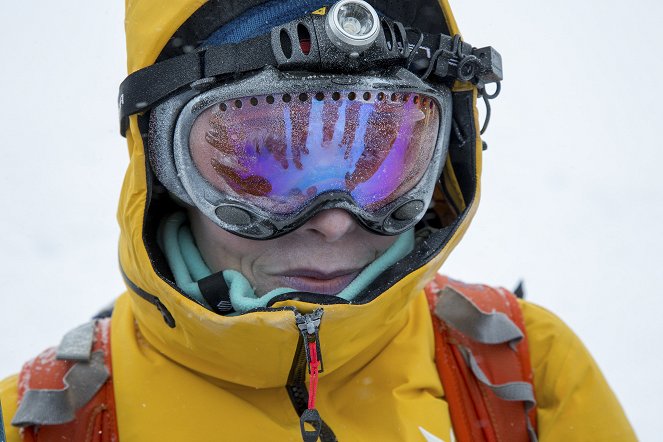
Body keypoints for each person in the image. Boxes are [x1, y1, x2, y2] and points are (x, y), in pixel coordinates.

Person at [0, 0, 636, 440]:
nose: (333, 223)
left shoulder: (523, 375)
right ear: (162, 165)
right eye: (260, 157)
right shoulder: (41, 423)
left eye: (381, 154)